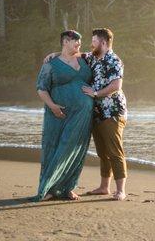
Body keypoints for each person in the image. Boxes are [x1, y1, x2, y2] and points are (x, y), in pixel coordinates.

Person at [45, 28, 128, 201]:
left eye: (94, 41)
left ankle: (120, 190)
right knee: (102, 152)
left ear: (104, 43)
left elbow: (116, 86)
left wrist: (96, 93)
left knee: (115, 151)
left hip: (111, 112)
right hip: (96, 113)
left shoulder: (114, 60)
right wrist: (55, 53)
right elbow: (76, 54)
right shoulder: (93, 57)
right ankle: (104, 187)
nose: (92, 44)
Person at [32, 30, 94, 202]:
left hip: (82, 114)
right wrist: (52, 106)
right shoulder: (51, 64)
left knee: (75, 150)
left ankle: (68, 188)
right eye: (76, 42)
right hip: (58, 114)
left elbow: (101, 54)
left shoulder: (85, 59)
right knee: (55, 147)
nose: (79, 45)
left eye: (80, 43)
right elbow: (41, 88)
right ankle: (49, 189)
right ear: (66, 41)